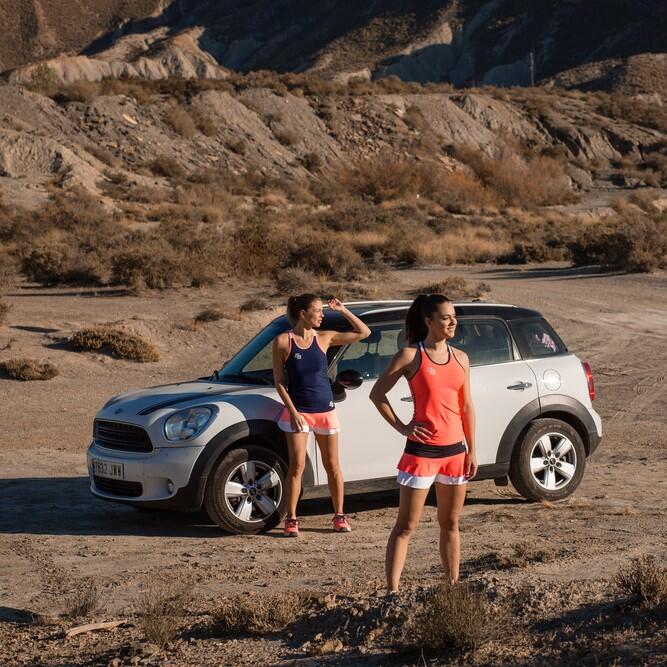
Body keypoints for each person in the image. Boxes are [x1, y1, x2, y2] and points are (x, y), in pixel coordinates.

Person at [369, 294, 477, 591]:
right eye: (445, 317)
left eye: (454, 316)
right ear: (429, 321)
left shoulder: (462, 358)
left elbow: (466, 406)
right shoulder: (410, 355)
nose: (453, 322)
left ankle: (452, 586)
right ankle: (392, 592)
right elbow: (377, 394)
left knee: (451, 524)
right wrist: (403, 427)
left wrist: (472, 450)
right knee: (406, 526)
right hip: (422, 453)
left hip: (456, 453)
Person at [272, 294, 371, 537]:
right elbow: (279, 382)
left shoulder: (325, 337)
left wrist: (343, 310)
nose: (322, 314)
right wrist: (293, 412)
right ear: (303, 313)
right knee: (296, 467)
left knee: (332, 466)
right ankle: (292, 519)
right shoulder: (284, 341)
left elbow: (364, 332)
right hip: (299, 413)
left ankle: (339, 516)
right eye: (317, 310)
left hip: (325, 411)